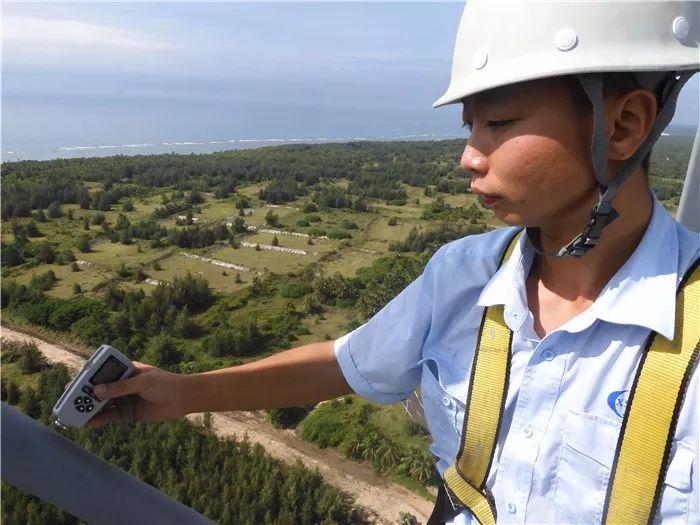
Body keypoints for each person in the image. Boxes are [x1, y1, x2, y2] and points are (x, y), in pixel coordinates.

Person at [88, 1, 699, 523]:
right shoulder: (463, 277)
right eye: (470, 127)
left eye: (499, 123)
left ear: (623, 125)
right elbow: (346, 364)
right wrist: (185, 393)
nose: (469, 156)